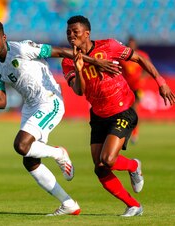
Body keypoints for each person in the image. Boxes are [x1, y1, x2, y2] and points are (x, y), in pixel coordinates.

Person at [0, 20, 119, 216]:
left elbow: (62, 52)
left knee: (21, 145)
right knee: (29, 161)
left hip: (50, 100)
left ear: (3, 38)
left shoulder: (22, 49)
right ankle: (68, 204)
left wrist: (95, 61)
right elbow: (2, 102)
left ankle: (58, 154)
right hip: (31, 107)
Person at [61, 15, 175, 217]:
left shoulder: (109, 46)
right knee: (100, 168)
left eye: (75, 32)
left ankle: (133, 165)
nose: (71, 36)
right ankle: (134, 205)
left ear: (87, 33)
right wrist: (79, 71)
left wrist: (161, 82)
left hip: (123, 110)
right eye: (68, 32)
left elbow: (139, 58)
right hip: (98, 115)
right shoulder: (68, 61)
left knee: (108, 159)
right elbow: (79, 91)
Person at [120, 36, 150, 144]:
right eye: (129, 43)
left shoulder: (141, 55)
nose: (131, 45)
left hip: (137, 88)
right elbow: (118, 68)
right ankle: (124, 132)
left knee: (135, 110)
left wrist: (142, 78)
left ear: (135, 44)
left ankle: (134, 133)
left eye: (133, 43)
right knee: (124, 111)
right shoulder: (123, 56)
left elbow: (148, 68)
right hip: (125, 87)